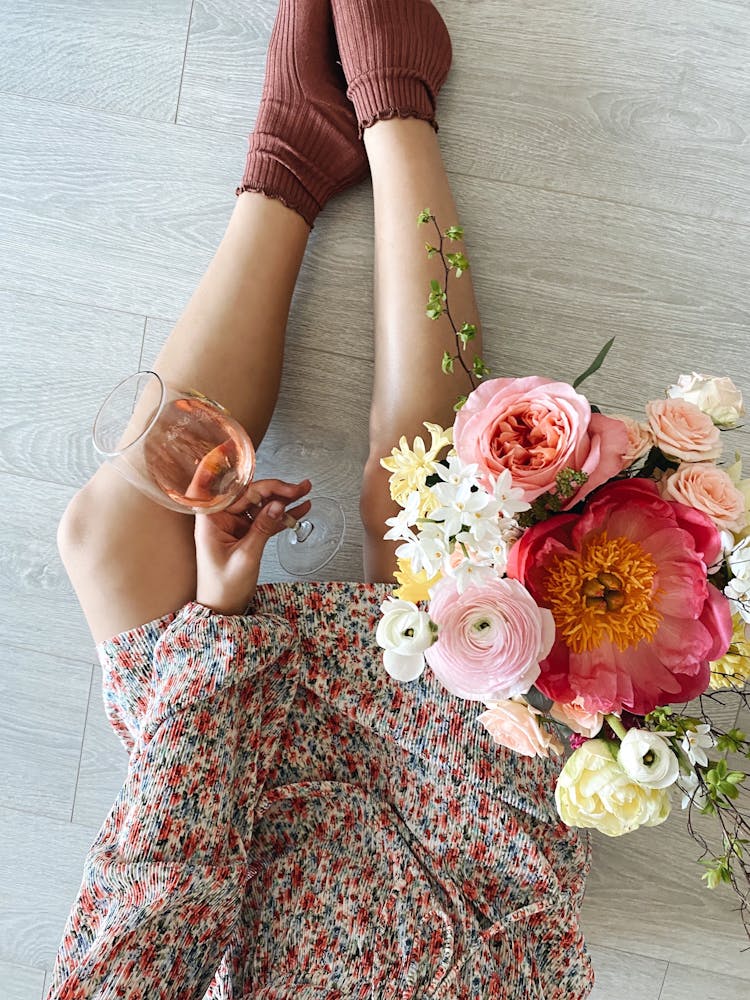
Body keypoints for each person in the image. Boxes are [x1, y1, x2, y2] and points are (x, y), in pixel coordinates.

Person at [50, 1, 594, 996]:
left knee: (105, 534)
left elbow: (162, 885)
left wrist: (222, 623)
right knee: (426, 521)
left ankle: (289, 160)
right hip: (435, 896)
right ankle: (396, 118)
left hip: (227, 809)